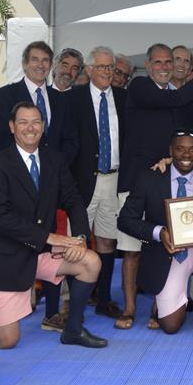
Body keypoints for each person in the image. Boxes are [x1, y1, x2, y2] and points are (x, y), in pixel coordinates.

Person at [0, 102, 105, 349]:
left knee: (91, 261)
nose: (30, 127)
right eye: (23, 122)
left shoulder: (54, 160)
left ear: (43, 126)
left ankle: (73, 329)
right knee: (7, 341)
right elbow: (0, 217)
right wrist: (49, 237)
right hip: (8, 260)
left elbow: (73, 200)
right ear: (12, 127)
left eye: (36, 122)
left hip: (42, 254)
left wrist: (80, 236)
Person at [118, 43, 193, 330]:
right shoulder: (140, 86)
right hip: (137, 180)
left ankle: (158, 305)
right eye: (160, 62)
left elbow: (186, 138)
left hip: (166, 184)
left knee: (166, 242)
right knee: (132, 249)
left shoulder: (177, 99)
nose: (164, 67)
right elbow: (175, 100)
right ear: (149, 65)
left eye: (169, 62)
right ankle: (129, 308)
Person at [118, 128, 193, 346]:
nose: (186, 155)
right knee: (171, 326)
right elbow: (125, 219)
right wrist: (159, 233)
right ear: (170, 151)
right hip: (169, 251)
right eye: (180, 149)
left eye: (192, 150)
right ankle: (166, 299)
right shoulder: (149, 178)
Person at [65, 46, 126, 322]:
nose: (106, 72)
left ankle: (103, 299)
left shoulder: (123, 99)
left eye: (110, 67)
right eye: (101, 67)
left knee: (107, 239)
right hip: (82, 182)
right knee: (75, 241)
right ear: (89, 69)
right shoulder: (73, 99)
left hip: (113, 179)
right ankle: (72, 301)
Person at [0, 41, 76, 159]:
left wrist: (57, 166)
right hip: (17, 172)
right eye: (35, 59)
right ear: (25, 64)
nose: (40, 65)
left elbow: (71, 140)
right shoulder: (3, 96)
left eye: (45, 60)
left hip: (56, 172)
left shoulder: (62, 100)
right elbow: (2, 139)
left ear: (50, 66)